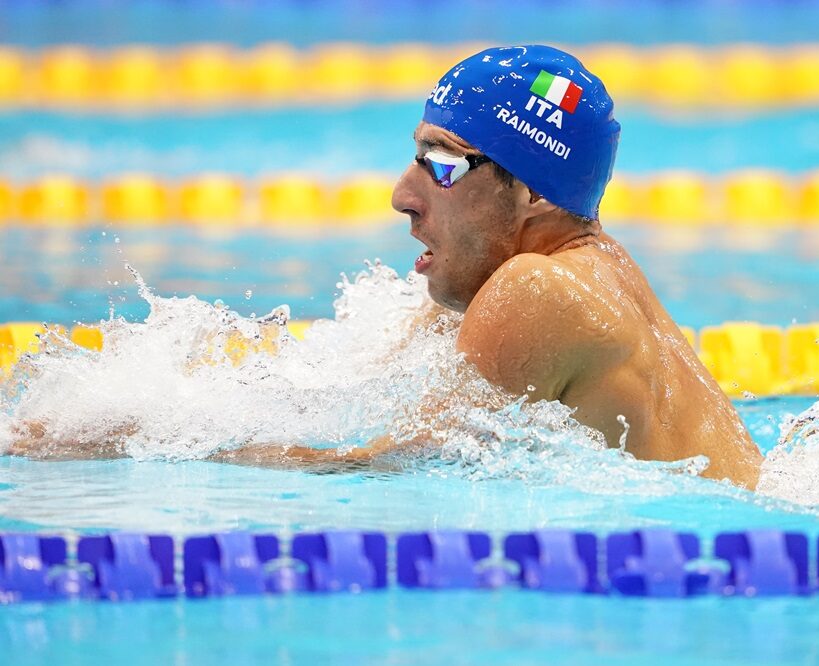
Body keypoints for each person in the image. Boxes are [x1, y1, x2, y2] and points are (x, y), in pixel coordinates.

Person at [7, 45, 762, 489]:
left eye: (440, 162)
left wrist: (133, 444)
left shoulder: (540, 288)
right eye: (416, 154)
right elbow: (344, 393)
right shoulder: (552, 273)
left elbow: (388, 469)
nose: (402, 194)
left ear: (529, 189)